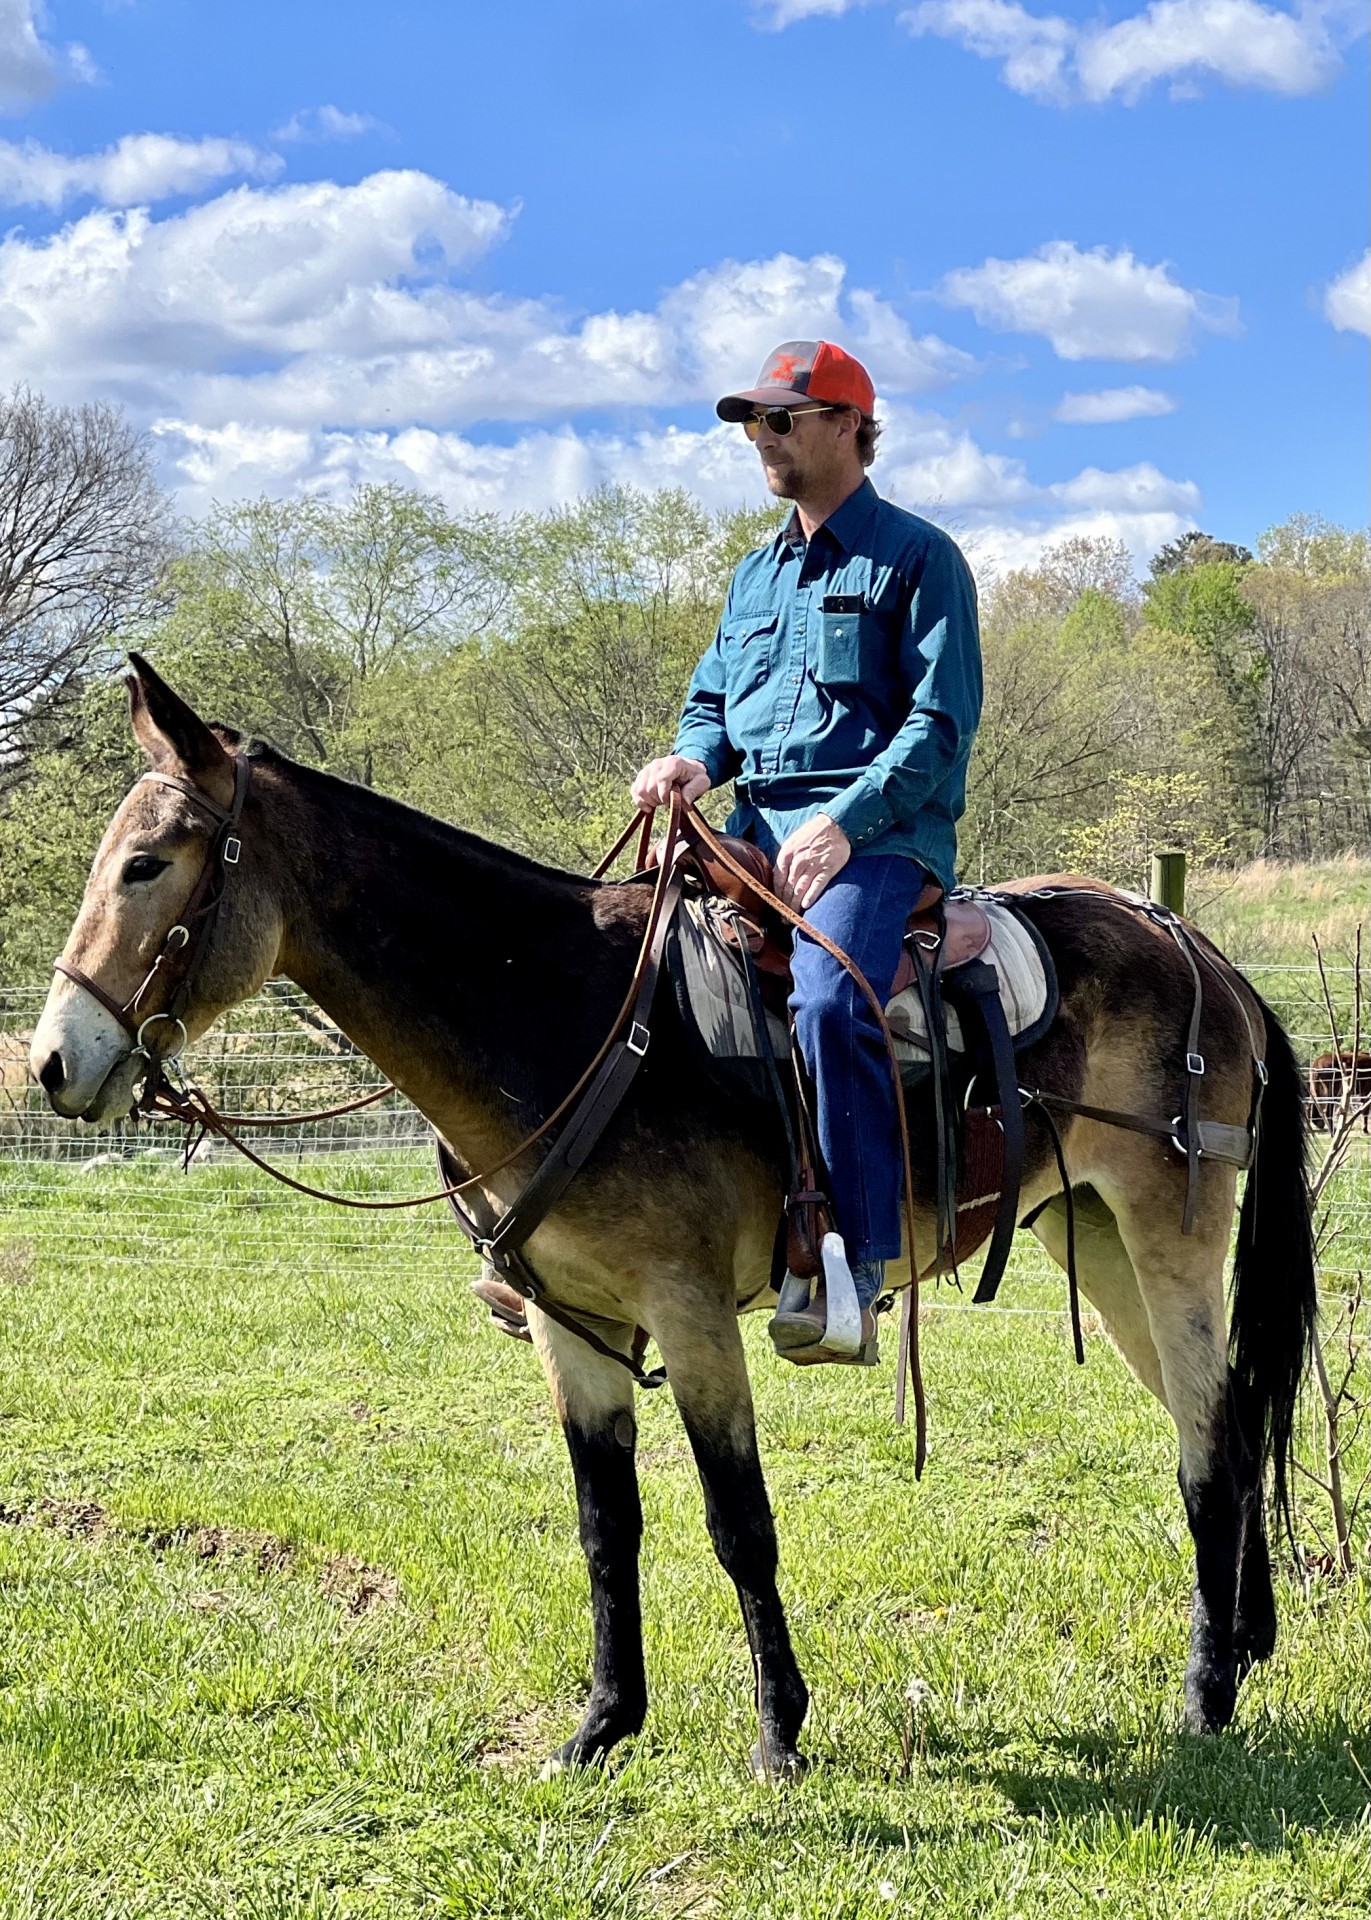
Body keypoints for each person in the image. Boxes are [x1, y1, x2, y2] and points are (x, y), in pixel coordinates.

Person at [632, 340, 982, 1364]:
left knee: (831, 1000)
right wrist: (691, 763)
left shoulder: (919, 559)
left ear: (846, 425)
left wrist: (847, 823)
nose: (761, 438)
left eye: (780, 419)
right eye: (752, 423)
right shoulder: (755, 577)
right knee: (628, 954)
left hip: (878, 842)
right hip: (756, 832)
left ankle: (858, 1267)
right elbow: (712, 707)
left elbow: (938, 727)